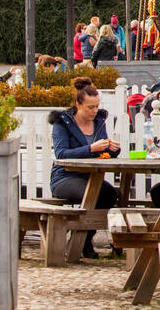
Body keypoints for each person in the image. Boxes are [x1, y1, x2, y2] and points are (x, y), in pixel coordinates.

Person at [48, 77, 120, 258]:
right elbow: (61, 154)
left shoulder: (99, 122)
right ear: (78, 105)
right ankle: (81, 244)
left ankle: (85, 240)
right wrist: (90, 148)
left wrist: (112, 150)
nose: (95, 111)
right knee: (92, 194)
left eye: (97, 106)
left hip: (90, 176)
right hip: (64, 177)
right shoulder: (62, 123)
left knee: (110, 194)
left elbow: (100, 154)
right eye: (90, 107)